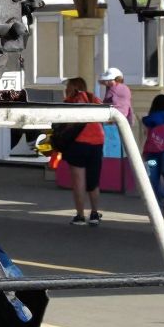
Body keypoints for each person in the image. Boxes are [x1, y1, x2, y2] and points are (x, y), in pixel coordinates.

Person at [62, 75, 105, 225]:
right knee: (93, 181)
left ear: (72, 87)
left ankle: (80, 216)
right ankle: (94, 214)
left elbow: (64, 122)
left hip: (78, 143)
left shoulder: (69, 102)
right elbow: (104, 114)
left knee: (79, 181)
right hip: (97, 141)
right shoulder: (93, 97)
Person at [143, 92, 164, 204]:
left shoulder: (150, 119)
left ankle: (161, 200)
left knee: (152, 179)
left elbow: (145, 134)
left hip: (151, 154)